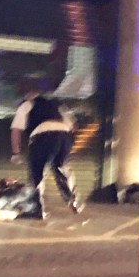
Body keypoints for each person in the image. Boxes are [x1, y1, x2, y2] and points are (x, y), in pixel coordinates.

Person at [10, 81, 81, 218]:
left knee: (37, 171)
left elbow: (16, 130)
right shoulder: (57, 104)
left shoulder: (26, 104)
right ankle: (73, 200)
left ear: (28, 95)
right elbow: (74, 126)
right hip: (64, 135)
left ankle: (37, 208)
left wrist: (16, 152)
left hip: (43, 136)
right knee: (61, 168)